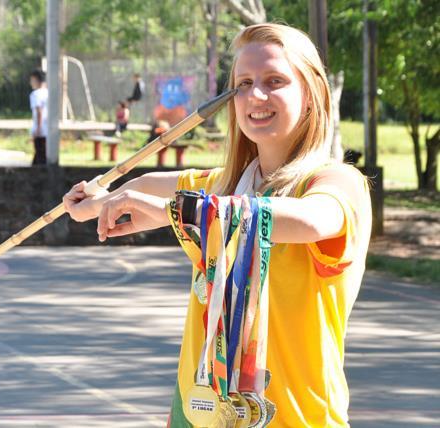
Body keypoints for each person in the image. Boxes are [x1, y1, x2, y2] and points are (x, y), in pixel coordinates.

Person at [63, 23, 371, 427]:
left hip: (298, 417)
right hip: (201, 414)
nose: (256, 95)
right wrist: (98, 201)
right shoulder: (225, 185)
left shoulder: (334, 182)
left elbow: (312, 221)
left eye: (275, 80)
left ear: (311, 95)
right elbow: (142, 184)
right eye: (244, 83)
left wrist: (177, 211)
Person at [29, 69, 48, 165]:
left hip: (41, 131)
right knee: (42, 155)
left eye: (32, 80)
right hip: (49, 131)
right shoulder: (48, 93)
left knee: (40, 157)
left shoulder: (35, 94)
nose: (31, 83)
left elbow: (39, 111)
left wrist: (38, 128)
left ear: (36, 80)